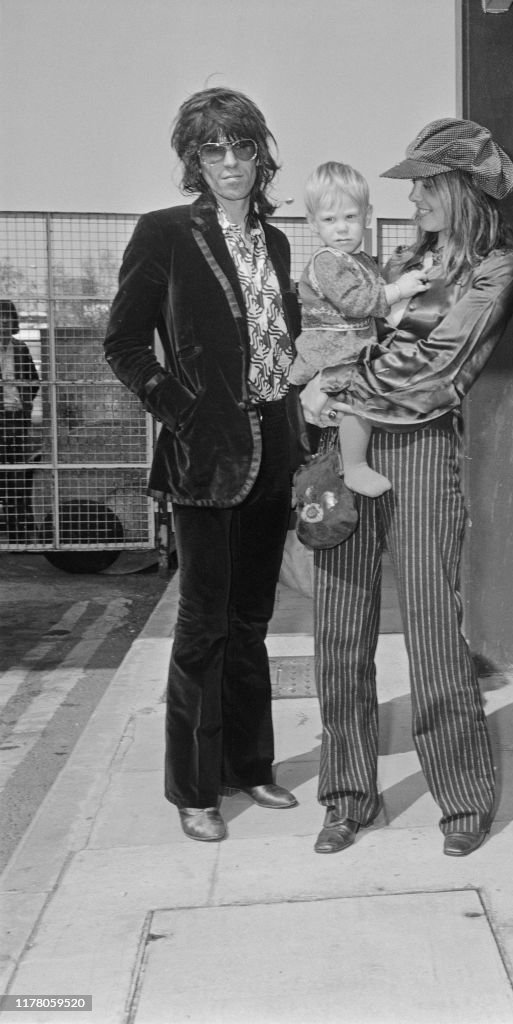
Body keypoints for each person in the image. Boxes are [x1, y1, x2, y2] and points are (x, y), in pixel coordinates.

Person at [302, 118, 513, 858]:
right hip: (348, 450)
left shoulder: (498, 271)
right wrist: (319, 390)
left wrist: (335, 386)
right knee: (339, 632)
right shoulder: (402, 259)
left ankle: (461, 799)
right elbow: (348, 330)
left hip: (422, 451)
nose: (416, 196)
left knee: (432, 632)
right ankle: (345, 797)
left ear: (464, 192)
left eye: (428, 184)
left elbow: (433, 373)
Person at [104, 87, 304, 842]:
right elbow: (122, 343)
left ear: (261, 153)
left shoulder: (277, 243)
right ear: (194, 158)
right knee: (201, 628)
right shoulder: (163, 235)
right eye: (212, 149)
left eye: (241, 146)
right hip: (202, 460)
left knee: (251, 623)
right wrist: (179, 406)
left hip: (274, 453)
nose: (229, 162)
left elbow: (280, 346)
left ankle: (249, 766)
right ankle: (193, 788)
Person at [288, 161, 428, 497]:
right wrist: (400, 290)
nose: (341, 229)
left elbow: (377, 306)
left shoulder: (361, 259)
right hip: (331, 350)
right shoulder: (327, 260)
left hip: (351, 346)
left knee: (352, 404)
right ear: (312, 223)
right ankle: (355, 467)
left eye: (350, 217)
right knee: (354, 405)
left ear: (367, 215)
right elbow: (357, 302)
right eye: (329, 219)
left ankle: (335, 472)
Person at [0, 300, 40, 541]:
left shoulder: (20, 347)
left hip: (15, 418)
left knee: (16, 473)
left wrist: (24, 403)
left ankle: (17, 531)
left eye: (7, 317)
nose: (4, 321)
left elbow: (34, 381)